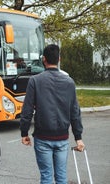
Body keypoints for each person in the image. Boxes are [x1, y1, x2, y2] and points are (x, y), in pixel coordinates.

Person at [20, 44, 85, 184]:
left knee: (46, 176)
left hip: (42, 136)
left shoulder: (35, 81)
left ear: (44, 59)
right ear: (59, 59)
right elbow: (75, 111)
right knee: (61, 176)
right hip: (62, 137)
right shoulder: (69, 82)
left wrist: (24, 133)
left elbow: (27, 110)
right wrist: (78, 137)